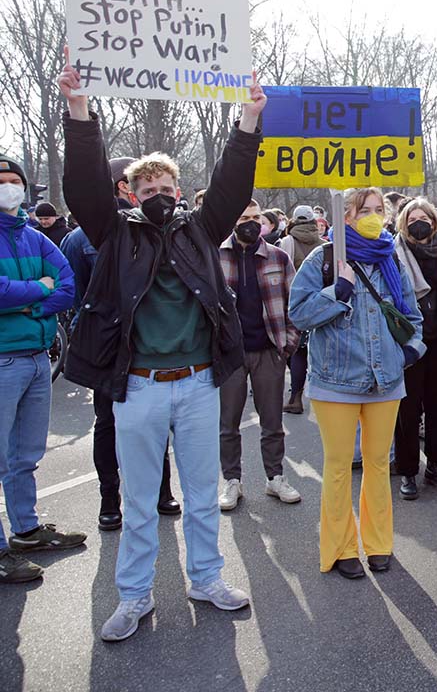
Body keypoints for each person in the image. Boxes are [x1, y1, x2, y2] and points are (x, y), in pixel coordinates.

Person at [59, 62, 264, 640]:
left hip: (198, 385)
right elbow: (81, 185)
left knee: (201, 495)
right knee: (140, 501)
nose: (158, 197)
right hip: (139, 389)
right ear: (131, 194)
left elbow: (232, 184)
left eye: (166, 189)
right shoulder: (113, 232)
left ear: (179, 193)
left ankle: (206, 578)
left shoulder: (201, 229)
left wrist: (248, 119)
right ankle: (134, 596)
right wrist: (80, 112)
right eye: (147, 190)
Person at [288, 187, 425, 579]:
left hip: (387, 379)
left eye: (379, 209)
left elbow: (411, 316)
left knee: (379, 466)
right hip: (336, 382)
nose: (372, 215)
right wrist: (339, 290)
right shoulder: (324, 259)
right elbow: (298, 313)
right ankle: (342, 548)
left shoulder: (391, 258)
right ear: (345, 216)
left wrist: (410, 352)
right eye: (363, 209)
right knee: (337, 468)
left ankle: (380, 543)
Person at [60, 156, 182, 531]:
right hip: (109, 349)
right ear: (123, 189)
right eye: (144, 188)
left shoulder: (163, 230)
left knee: (157, 422)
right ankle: (109, 498)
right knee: (108, 424)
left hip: (151, 347)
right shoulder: (83, 238)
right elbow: (76, 293)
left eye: (163, 189)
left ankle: (162, 490)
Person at [0, 158, 81, 585]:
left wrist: (28, 302)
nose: (9, 189)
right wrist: (39, 291)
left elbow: (66, 286)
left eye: (15, 182)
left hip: (36, 356)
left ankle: (26, 531)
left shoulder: (34, 237)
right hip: (3, 357)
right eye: (2, 183)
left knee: (26, 455)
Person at [216, 200, 302, 512]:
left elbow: (296, 302)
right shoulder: (216, 256)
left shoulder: (278, 257)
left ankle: (275, 477)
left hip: (269, 350)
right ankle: (231, 480)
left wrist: (288, 344)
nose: (251, 223)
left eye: (255, 218)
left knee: (273, 422)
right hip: (230, 353)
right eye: (244, 217)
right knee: (228, 423)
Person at [392, 198, 437, 499]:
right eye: (413, 218)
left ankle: (434, 463)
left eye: (425, 217)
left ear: (434, 221)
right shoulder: (394, 253)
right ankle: (407, 470)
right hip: (408, 342)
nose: (419, 222)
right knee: (406, 410)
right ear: (404, 224)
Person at [278, 204, 326, 414]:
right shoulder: (325, 243)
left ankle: (295, 397)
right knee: (314, 350)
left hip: (293, 302)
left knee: (297, 351)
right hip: (321, 303)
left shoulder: (287, 242)